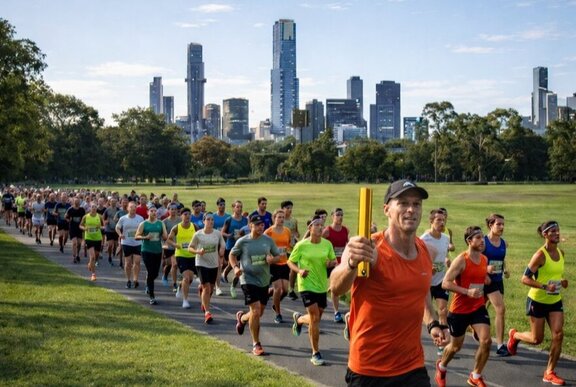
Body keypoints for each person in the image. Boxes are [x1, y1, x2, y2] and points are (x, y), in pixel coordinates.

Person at [330, 179, 445, 386]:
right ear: (387, 210)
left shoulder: (427, 252)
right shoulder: (367, 247)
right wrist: (350, 264)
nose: (411, 209)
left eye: (416, 204)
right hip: (369, 369)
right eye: (402, 203)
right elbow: (336, 287)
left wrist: (433, 323)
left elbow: (421, 291)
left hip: (412, 366)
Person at [507, 221, 568, 386]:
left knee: (558, 335)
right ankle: (515, 335)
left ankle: (549, 372)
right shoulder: (539, 255)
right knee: (536, 339)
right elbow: (524, 278)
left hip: (554, 300)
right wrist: (543, 286)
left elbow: (554, 274)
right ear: (545, 235)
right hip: (537, 300)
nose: (557, 233)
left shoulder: (561, 253)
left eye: (558, 230)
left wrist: (562, 281)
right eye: (553, 231)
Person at [436, 226, 491, 387]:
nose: (482, 241)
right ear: (469, 241)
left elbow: (479, 275)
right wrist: (467, 292)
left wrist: (486, 279)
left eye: (483, 238)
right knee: (455, 347)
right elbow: (445, 283)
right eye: (479, 238)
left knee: (486, 341)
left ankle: (475, 375)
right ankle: (442, 366)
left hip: (478, 307)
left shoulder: (484, 259)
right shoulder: (462, 260)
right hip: (459, 310)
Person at [230, 215, 282, 356]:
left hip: (264, 280)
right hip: (247, 279)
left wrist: (272, 260)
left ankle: (242, 318)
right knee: (256, 311)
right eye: (258, 224)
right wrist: (235, 268)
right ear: (250, 225)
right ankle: (256, 344)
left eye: (262, 224)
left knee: (258, 313)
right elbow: (232, 255)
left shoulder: (268, 240)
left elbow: (278, 256)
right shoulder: (243, 241)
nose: (261, 227)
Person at [288, 215, 336, 366]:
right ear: (310, 228)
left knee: (316, 318)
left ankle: (299, 319)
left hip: (321, 285)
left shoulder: (327, 244)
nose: (321, 228)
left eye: (322, 225)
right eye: (317, 225)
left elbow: (333, 260)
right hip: (306, 285)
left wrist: (331, 263)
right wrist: (299, 271)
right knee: (315, 318)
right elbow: (290, 261)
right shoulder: (302, 245)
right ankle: (315, 353)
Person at [420, 209, 452, 356]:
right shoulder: (424, 240)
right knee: (424, 312)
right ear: (431, 221)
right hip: (426, 282)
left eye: (443, 220)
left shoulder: (445, 238)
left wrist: (446, 261)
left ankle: (442, 341)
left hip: (441, 280)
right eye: (438, 220)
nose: (442, 222)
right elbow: (417, 261)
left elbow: (444, 255)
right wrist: (428, 267)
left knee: (443, 310)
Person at [188, 212, 225, 323]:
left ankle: (204, 298)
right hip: (201, 263)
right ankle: (207, 313)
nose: (210, 222)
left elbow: (222, 244)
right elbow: (190, 248)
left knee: (211, 288)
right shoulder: (198, 234)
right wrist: (198, 251)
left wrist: (221, 250)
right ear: (204, 221)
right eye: (208, 219)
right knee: (207, 288)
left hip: (213, 264)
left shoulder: (217, 234)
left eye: (212, 220)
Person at [483, 213, 510, 356]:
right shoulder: (483, 242)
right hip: (484, 281)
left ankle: (500, 345)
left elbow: (501, 259)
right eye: (498, 224)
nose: (501, 227)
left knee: (499, 310)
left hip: (498, 281)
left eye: (503, 224)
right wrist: (485, 270)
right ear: (490, 225)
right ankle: (478, 331)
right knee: (497, 308)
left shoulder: (503, 243)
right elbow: (473, 260)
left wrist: (505, 270)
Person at [264, 209, 293, 323]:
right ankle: (278, 313)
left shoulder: (287, 231)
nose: (281, 219)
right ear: (274, 218)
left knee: (285, 290)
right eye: (279, 217)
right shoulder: (269, 232)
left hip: (284, 263)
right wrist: (268, 257)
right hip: (274, 264)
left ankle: (271, 298)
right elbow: (263, 246)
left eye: (282, 217)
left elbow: (289, 245)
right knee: (278, 288)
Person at [135, 206, 167, 305]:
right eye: (152, 211)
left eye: (155, 211)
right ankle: (152, 296)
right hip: (146, 250)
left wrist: (165, 236)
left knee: (155, 273)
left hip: (157, 251)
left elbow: (165, 236)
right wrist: (145, 237)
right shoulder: (143, 224)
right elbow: (136, 236)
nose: (154, 212)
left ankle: (148, 283)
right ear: (148, 212)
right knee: (150, 270)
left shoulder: (160, 223)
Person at [322, 207, 349, 324]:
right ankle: (336, 312)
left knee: (337, 287)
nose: (340, 217)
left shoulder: (345, 230)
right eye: (338, 215)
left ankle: (336, 310)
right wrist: (327, 259)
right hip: (330, 262)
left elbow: (347, 244)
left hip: (341, 262)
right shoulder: (327, 231)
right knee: (333, 287)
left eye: (342, 215)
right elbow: (320, 245)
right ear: (332, 217)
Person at [167, 207, 196, 309]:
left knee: (190, 279)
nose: (187, 216)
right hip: (181, 255)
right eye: (185, 214)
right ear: (181, 216)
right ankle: (185, 300)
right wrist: (175, 245)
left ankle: (180, 286)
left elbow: (200, 237)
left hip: (192, 255)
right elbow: (168, 240)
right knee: (186, 278)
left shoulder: (194, 227)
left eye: (189, 214)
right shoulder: (176, 228)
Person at [221, 200, 248, 298]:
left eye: (241, 207)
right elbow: (222, 232)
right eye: (237, 207)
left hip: (243, 246)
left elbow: (248, 230)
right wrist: (229, 235)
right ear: (233, 208)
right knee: (232, 264)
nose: (239, 209)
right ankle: (224, 274)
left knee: (240, 268)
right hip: (231, 246)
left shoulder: (245, 220)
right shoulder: (229, 219)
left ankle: (233, 285)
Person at [116, 202, 144, 289]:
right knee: (128, 263)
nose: (133, 209)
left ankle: (135, 279)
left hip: (137, 243)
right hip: (126, 242)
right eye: (131, 207)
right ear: (128, 208)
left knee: (137, 262)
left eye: (135, 207)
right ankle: (128, 280)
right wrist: (120, 234)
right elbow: (117, 227)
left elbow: (144, 228)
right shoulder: (123, 218)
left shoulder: (140, 218)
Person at [80, 203, 104, 281]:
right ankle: (93, 274)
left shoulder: (99, 216)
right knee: (92, 256)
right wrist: (84, 228)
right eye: (92, 207)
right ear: (90, 208)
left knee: (96, 256)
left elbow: (104, 226)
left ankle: (90, 264)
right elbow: (80, 225)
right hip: (89, 238)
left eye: (95, 207)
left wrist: (100, 227)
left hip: (98, 238)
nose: (94, 208)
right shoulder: (85, 216)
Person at [282, 200, 300, 301]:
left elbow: (297, 232)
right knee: (283, 269)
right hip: (282, 249)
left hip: (292, 248)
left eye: (291, 208)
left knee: (294, 269)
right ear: (283, 209)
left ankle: (291, 289)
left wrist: (296, 236)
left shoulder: (294, 220)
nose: (290, 210)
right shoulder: (280, 220)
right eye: (288, 208)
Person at [213, 197, 230, 296]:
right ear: (217, 205)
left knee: (222, 264)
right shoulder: (213, 216)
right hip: (215, 243)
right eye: (220, 205)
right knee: (217, 265)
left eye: (223, 205)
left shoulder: (228, 217)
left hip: (225, 243)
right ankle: (217, 286)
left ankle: (218, 283)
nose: (222, 207)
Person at [161, 204, 181, 292]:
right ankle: (165, 275)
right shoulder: (165, 222)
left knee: (175, 264)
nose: (173, 211)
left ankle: (174, 283)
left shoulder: (180, 220)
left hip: (178, 246)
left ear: (177, 211)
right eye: (171, 209)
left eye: (175, 209)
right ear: (168, 210)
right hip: (168, 246)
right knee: (169, 264)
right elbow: (163, 235)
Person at [66, 197, 86, 264]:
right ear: (73, 202)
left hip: (80, 228)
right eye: (76, 201)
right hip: (72, 228)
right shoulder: (70, 209)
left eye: (78, 201)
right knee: (74, 243)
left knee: (79, 243)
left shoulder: (82, 209)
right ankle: (74, 256)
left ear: (79, 202)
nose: (77, 203)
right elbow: (66, 217)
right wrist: (69, 220)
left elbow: (85, 218)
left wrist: (84, 225)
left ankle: (77, 254)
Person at [103, 198, 119, 266]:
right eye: (112, 202)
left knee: (115, 245)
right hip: (109, 229)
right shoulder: (107, 210)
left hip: (116, 229)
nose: (113, 203)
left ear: (116, 202)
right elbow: (103, 218)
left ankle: (113, 252)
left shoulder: (118, 210)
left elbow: (121, 218)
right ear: (109, 202)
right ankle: (109, 256)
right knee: (110, 245)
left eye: (114, 202)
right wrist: (106, 222)